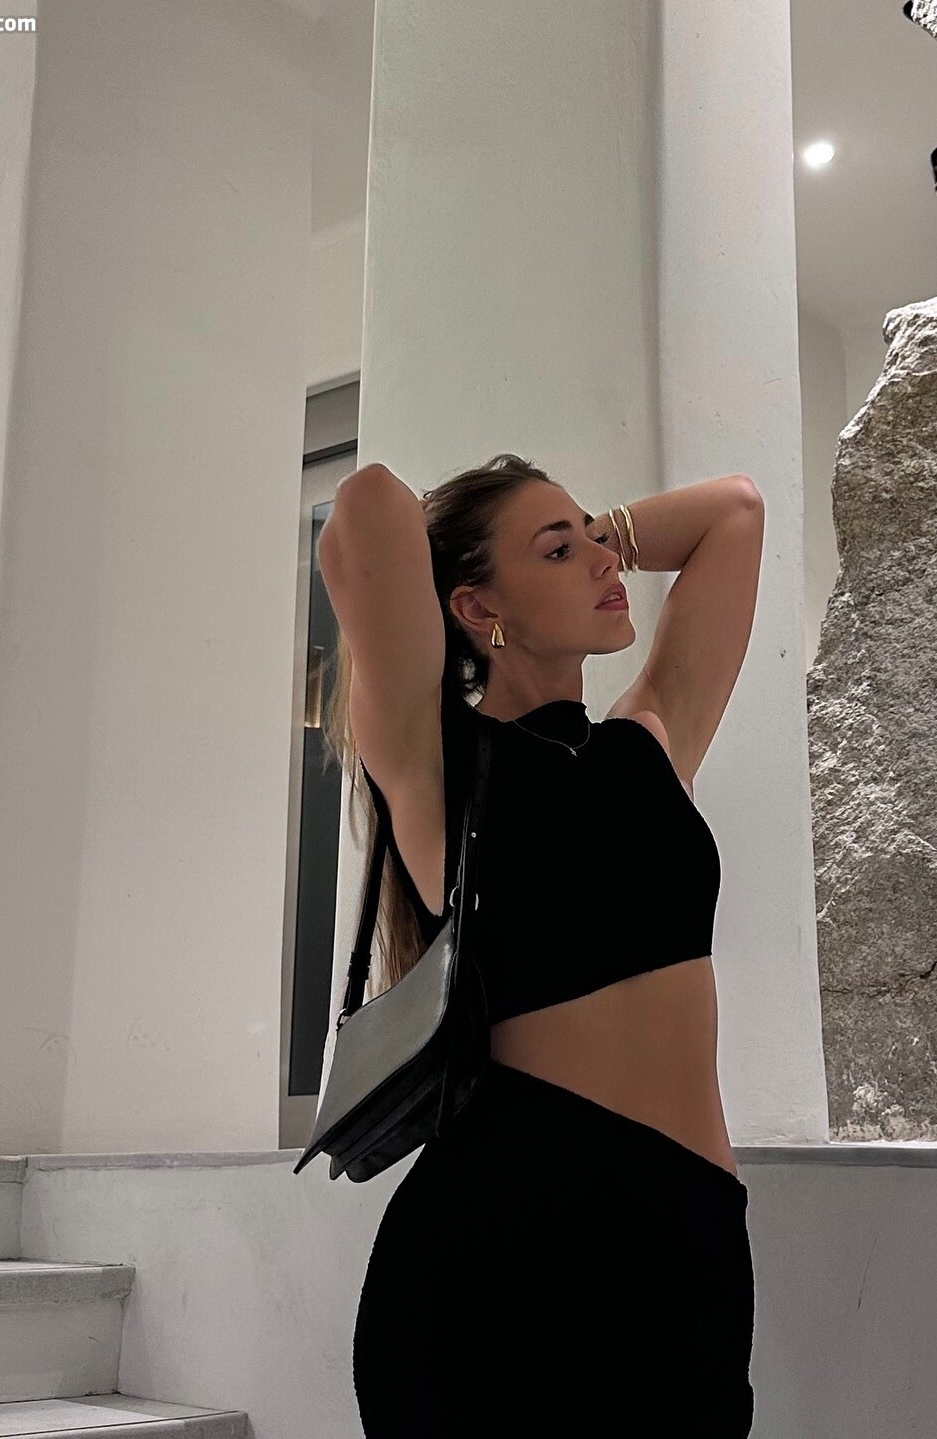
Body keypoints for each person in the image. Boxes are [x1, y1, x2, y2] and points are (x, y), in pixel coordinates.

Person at [317, 451, 765, 1437]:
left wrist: (599, 535)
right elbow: (366, 503)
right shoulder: (438, 763)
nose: (603, 562)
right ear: (479, 607)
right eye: (560, 551)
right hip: (507, 1250)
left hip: (687, 1236)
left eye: (599, 541)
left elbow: (734, 513)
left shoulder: (648, 740)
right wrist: (465, 544)